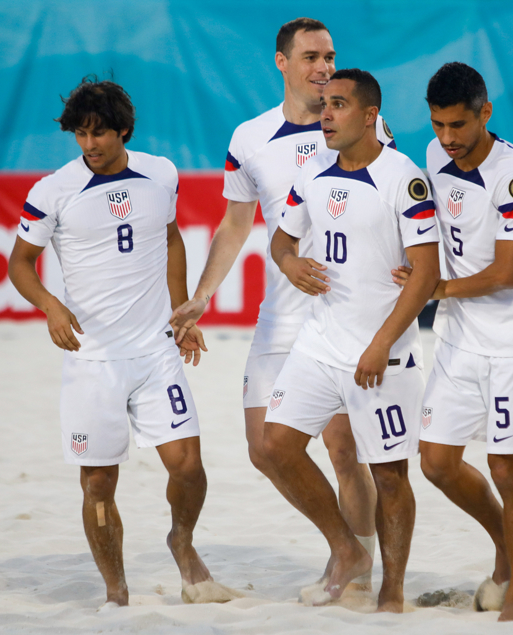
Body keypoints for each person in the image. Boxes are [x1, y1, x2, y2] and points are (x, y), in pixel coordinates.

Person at [169, 18, 396, 590]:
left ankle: (356, 574)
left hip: (341, 313)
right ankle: (347, 550)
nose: (324, 66)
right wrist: (201, 295)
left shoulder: (360, 126)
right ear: (282, 63)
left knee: (344, 449)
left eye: (331, 55)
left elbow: (390, 201)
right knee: (264, 449)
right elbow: (236, 223)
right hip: (280, 319)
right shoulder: (249, 138)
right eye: (313, 56)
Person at [7, 77, 235, 609]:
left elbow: (172, 237)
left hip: (156, 352)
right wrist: (50, 305)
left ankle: (181, 539)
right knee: (98, 487)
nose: (90, 145)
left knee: (188, 467)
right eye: (81, 135)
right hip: (92, 361)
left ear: (124, 130)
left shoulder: (161, 173)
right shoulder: (53, 190)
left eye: (100, 133)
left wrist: (182, 312)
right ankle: (116, 593)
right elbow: (19, 263)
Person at [257, 69, 440, 612]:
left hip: (385, 352)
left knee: (388, 475)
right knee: (274, 447)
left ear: (369, 116)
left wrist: (382, 342)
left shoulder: (403, 178)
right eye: (323, 105)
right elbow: (281, 239)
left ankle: (393, 592)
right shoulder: (311, 169)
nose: (326, 115)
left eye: (338, 105)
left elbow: (426, 274)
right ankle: (347, 550)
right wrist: (290, 263)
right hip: (321, 341)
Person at [393, 62, 513, 622]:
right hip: (461, 335)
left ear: (486, 112)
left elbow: (506, 273)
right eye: (438, 125)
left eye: (458, 124)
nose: (448, 138)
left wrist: (435, 287)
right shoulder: (438, 156)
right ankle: (505, 543)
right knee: (436, 462)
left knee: (509, 471)